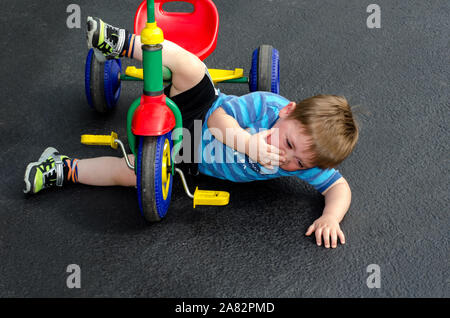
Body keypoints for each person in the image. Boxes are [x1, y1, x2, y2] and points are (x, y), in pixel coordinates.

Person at [23, 18, 359, 249]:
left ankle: (65, 168)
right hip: (202, 111)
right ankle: (124, 43)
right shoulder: (268, 106)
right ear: (288, 112)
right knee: (192, 68)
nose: (287, 159)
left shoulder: (309, 156)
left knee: (135, 176)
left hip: (192, 158)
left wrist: (331, 216)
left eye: (298, 164)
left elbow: (338, 186)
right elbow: (219, 121)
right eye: (288, 144)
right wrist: (247, 143)